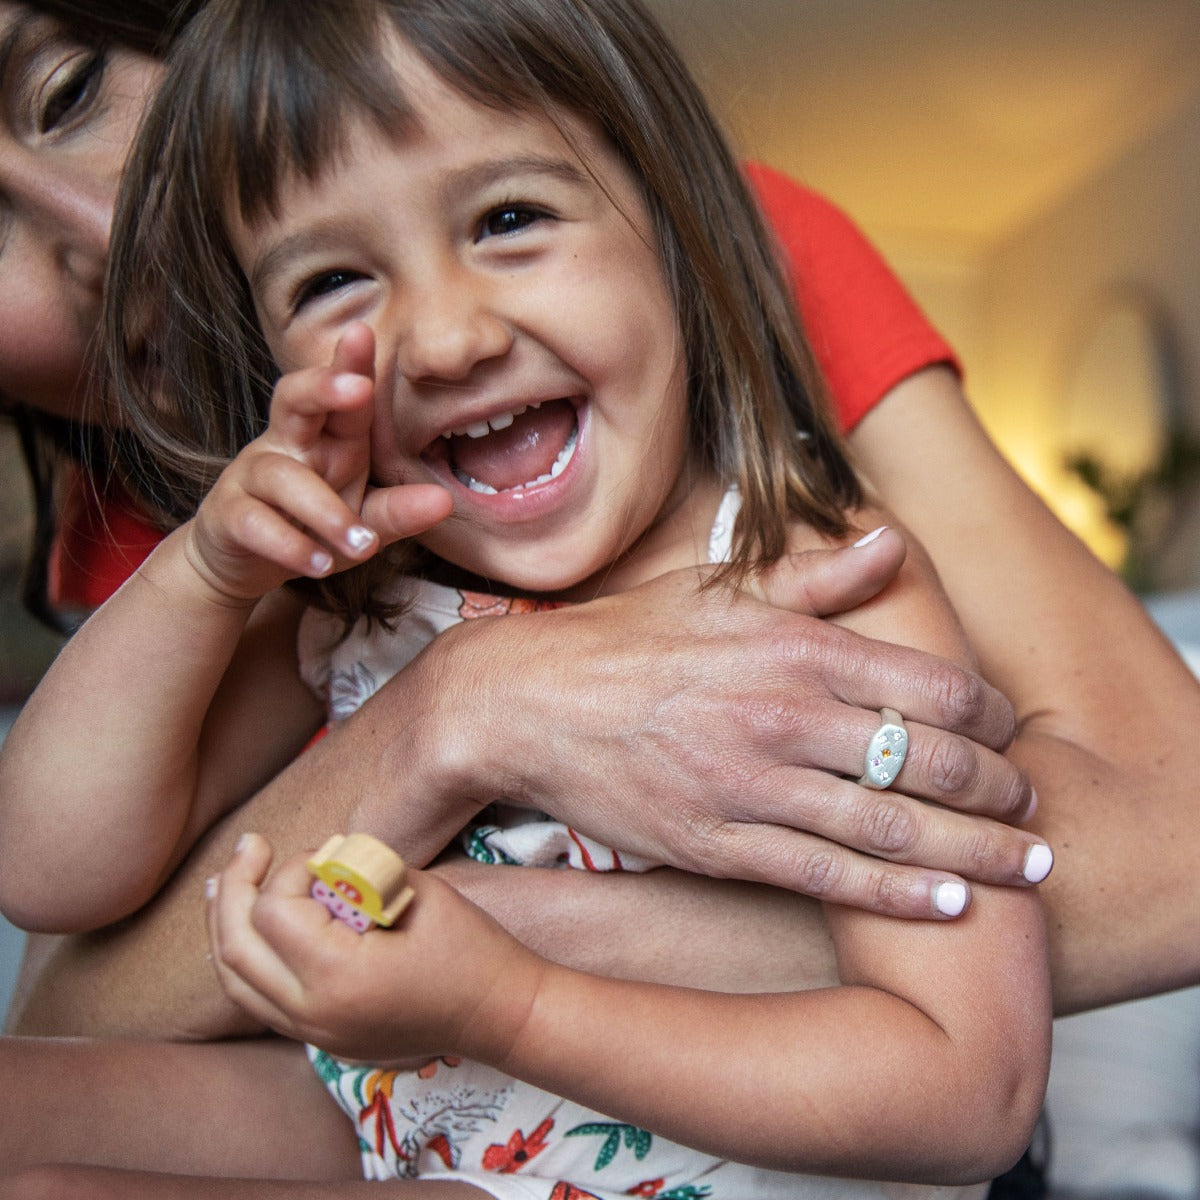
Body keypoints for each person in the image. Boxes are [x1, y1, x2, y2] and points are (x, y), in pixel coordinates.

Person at [0, 3, 1051, 1198]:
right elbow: (49, 873)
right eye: (335, 280)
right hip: (391, 1104)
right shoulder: (362, 597)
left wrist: (513, 1001)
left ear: (673, 226)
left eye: (509, 219)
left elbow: (974, 1094)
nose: (442, 340)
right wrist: (202, 573)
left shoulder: (831, 586)